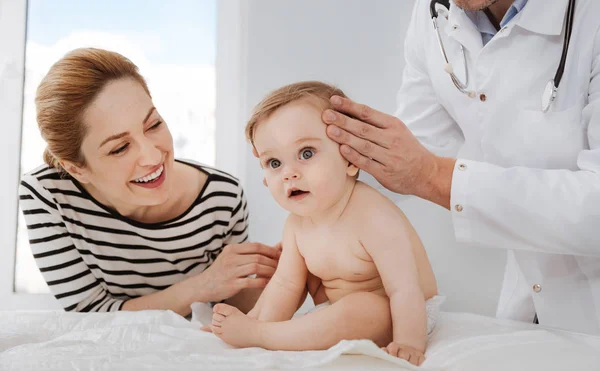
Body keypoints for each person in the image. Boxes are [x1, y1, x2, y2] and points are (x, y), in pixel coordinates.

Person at [320, 0, 600, 334]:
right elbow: (420, 142)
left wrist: (433, 176)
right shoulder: (434, 14)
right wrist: (323, 175)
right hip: (534, 302)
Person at [18, 47, 280, 316]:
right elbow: (89, 315)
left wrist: (284, 272)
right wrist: (201, 286)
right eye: (120, 148)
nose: (153, 156)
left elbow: (231, 309)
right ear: (76, 169)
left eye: (153, 125)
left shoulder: (222, 198)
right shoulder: (46, 195)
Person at [206, 81, 441, 366]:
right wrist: (251, 320)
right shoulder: (296, 224)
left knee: (361, 308)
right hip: (338, 311)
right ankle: (261, 330)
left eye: (306, 153)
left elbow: (404, 287)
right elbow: (285, 285)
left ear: (350, 160)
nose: (289, 173)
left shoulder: (373, 215)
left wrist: (408, 343)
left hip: (403, 312)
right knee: (303, 284)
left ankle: (266, 335)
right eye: (274, 163)